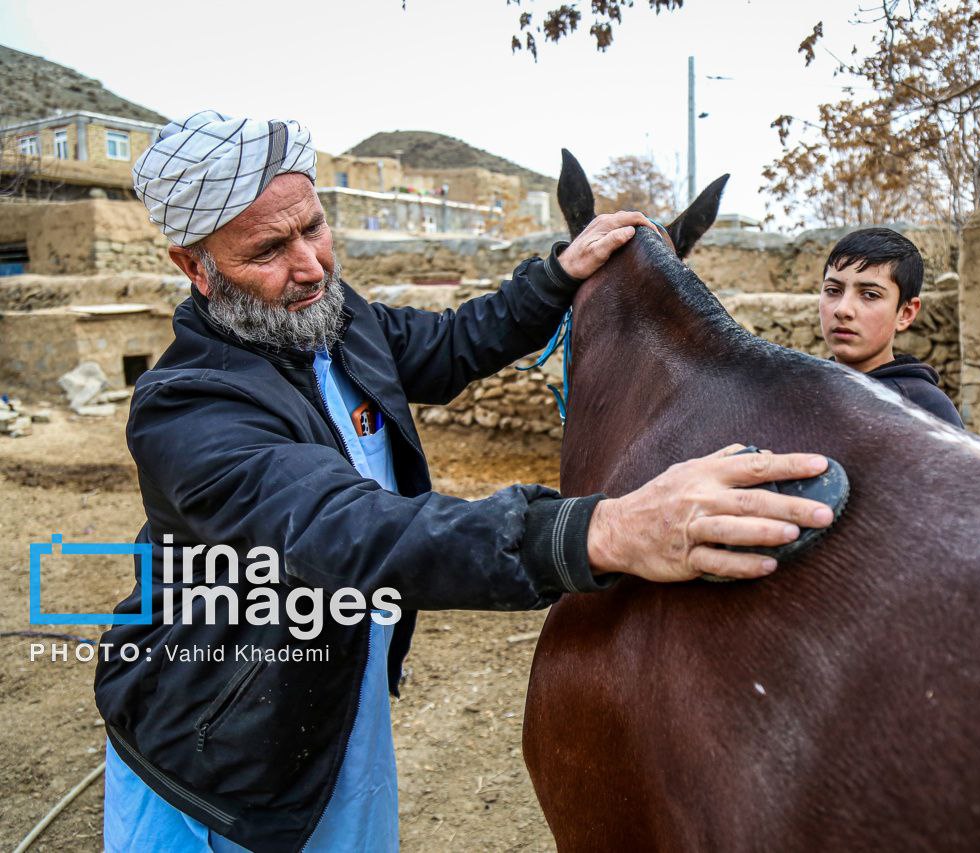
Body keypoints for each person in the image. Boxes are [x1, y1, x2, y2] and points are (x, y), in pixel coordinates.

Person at [94, 111, 835, 852]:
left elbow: (451, 345)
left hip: (328, 704)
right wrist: (600, 529)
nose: (312, 265)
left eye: (313, 227)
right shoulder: (188, 408)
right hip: (213, 758)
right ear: (196, 267)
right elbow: (346, 529)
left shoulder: (333, 321)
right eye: (269, 248)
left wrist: (557, 274)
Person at [818, 227, 964, 428]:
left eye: (870, 294)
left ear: (906, 313)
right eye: (833, 290)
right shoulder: (805, 390)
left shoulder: (926, 409)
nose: (843, 310)